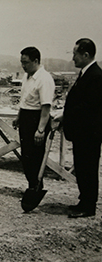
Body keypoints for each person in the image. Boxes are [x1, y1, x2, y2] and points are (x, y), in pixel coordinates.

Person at [54, 38, 102, 218]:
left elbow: (88, 106)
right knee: (82, 168)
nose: (73, 58)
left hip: (89, 133)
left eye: (75, 54)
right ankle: (83, 201)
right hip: (83, 132)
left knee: (88, 168)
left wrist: (68, 115)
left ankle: (88, 207)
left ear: (86, 54)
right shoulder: (86, 74)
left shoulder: (96, 76)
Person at [12, 47, 55, 192]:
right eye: (21, 62)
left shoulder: (44, 79)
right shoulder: (27, 76)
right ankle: (31, 185)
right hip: (26, 117)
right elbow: (24, 100)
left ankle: (36, 186)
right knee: (26, 156)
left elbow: (46, 107)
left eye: (26, 62)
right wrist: (19, 117)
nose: (23, 66)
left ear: (36, 61)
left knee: (35, 157)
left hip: (37, 120)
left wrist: (40, 130)